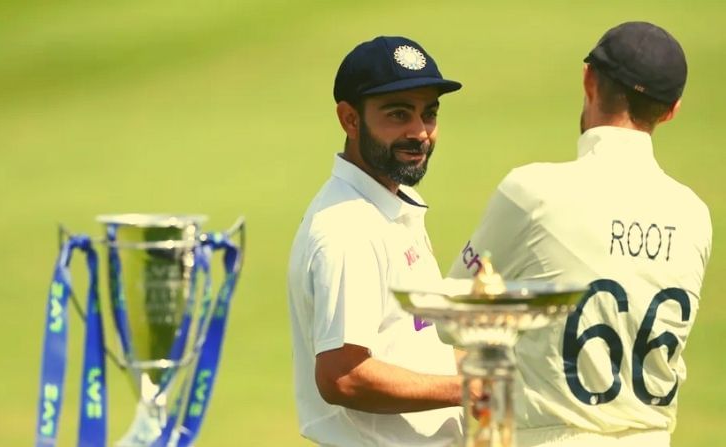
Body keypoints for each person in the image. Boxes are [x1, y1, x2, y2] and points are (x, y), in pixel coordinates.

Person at [448, 22, 712, 447]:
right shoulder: (695, 216)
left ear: (589, 79)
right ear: (671, 110)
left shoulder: (531, 192)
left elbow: (451, 316)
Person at [287, 36, 467, 446]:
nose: (419, 132)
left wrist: (498, 368)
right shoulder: (347, 228)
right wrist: (468, 390)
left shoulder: (392, 204)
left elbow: (413, 347)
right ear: (350, 119)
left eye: (429, 114)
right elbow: (343, 376)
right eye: (398, 114)